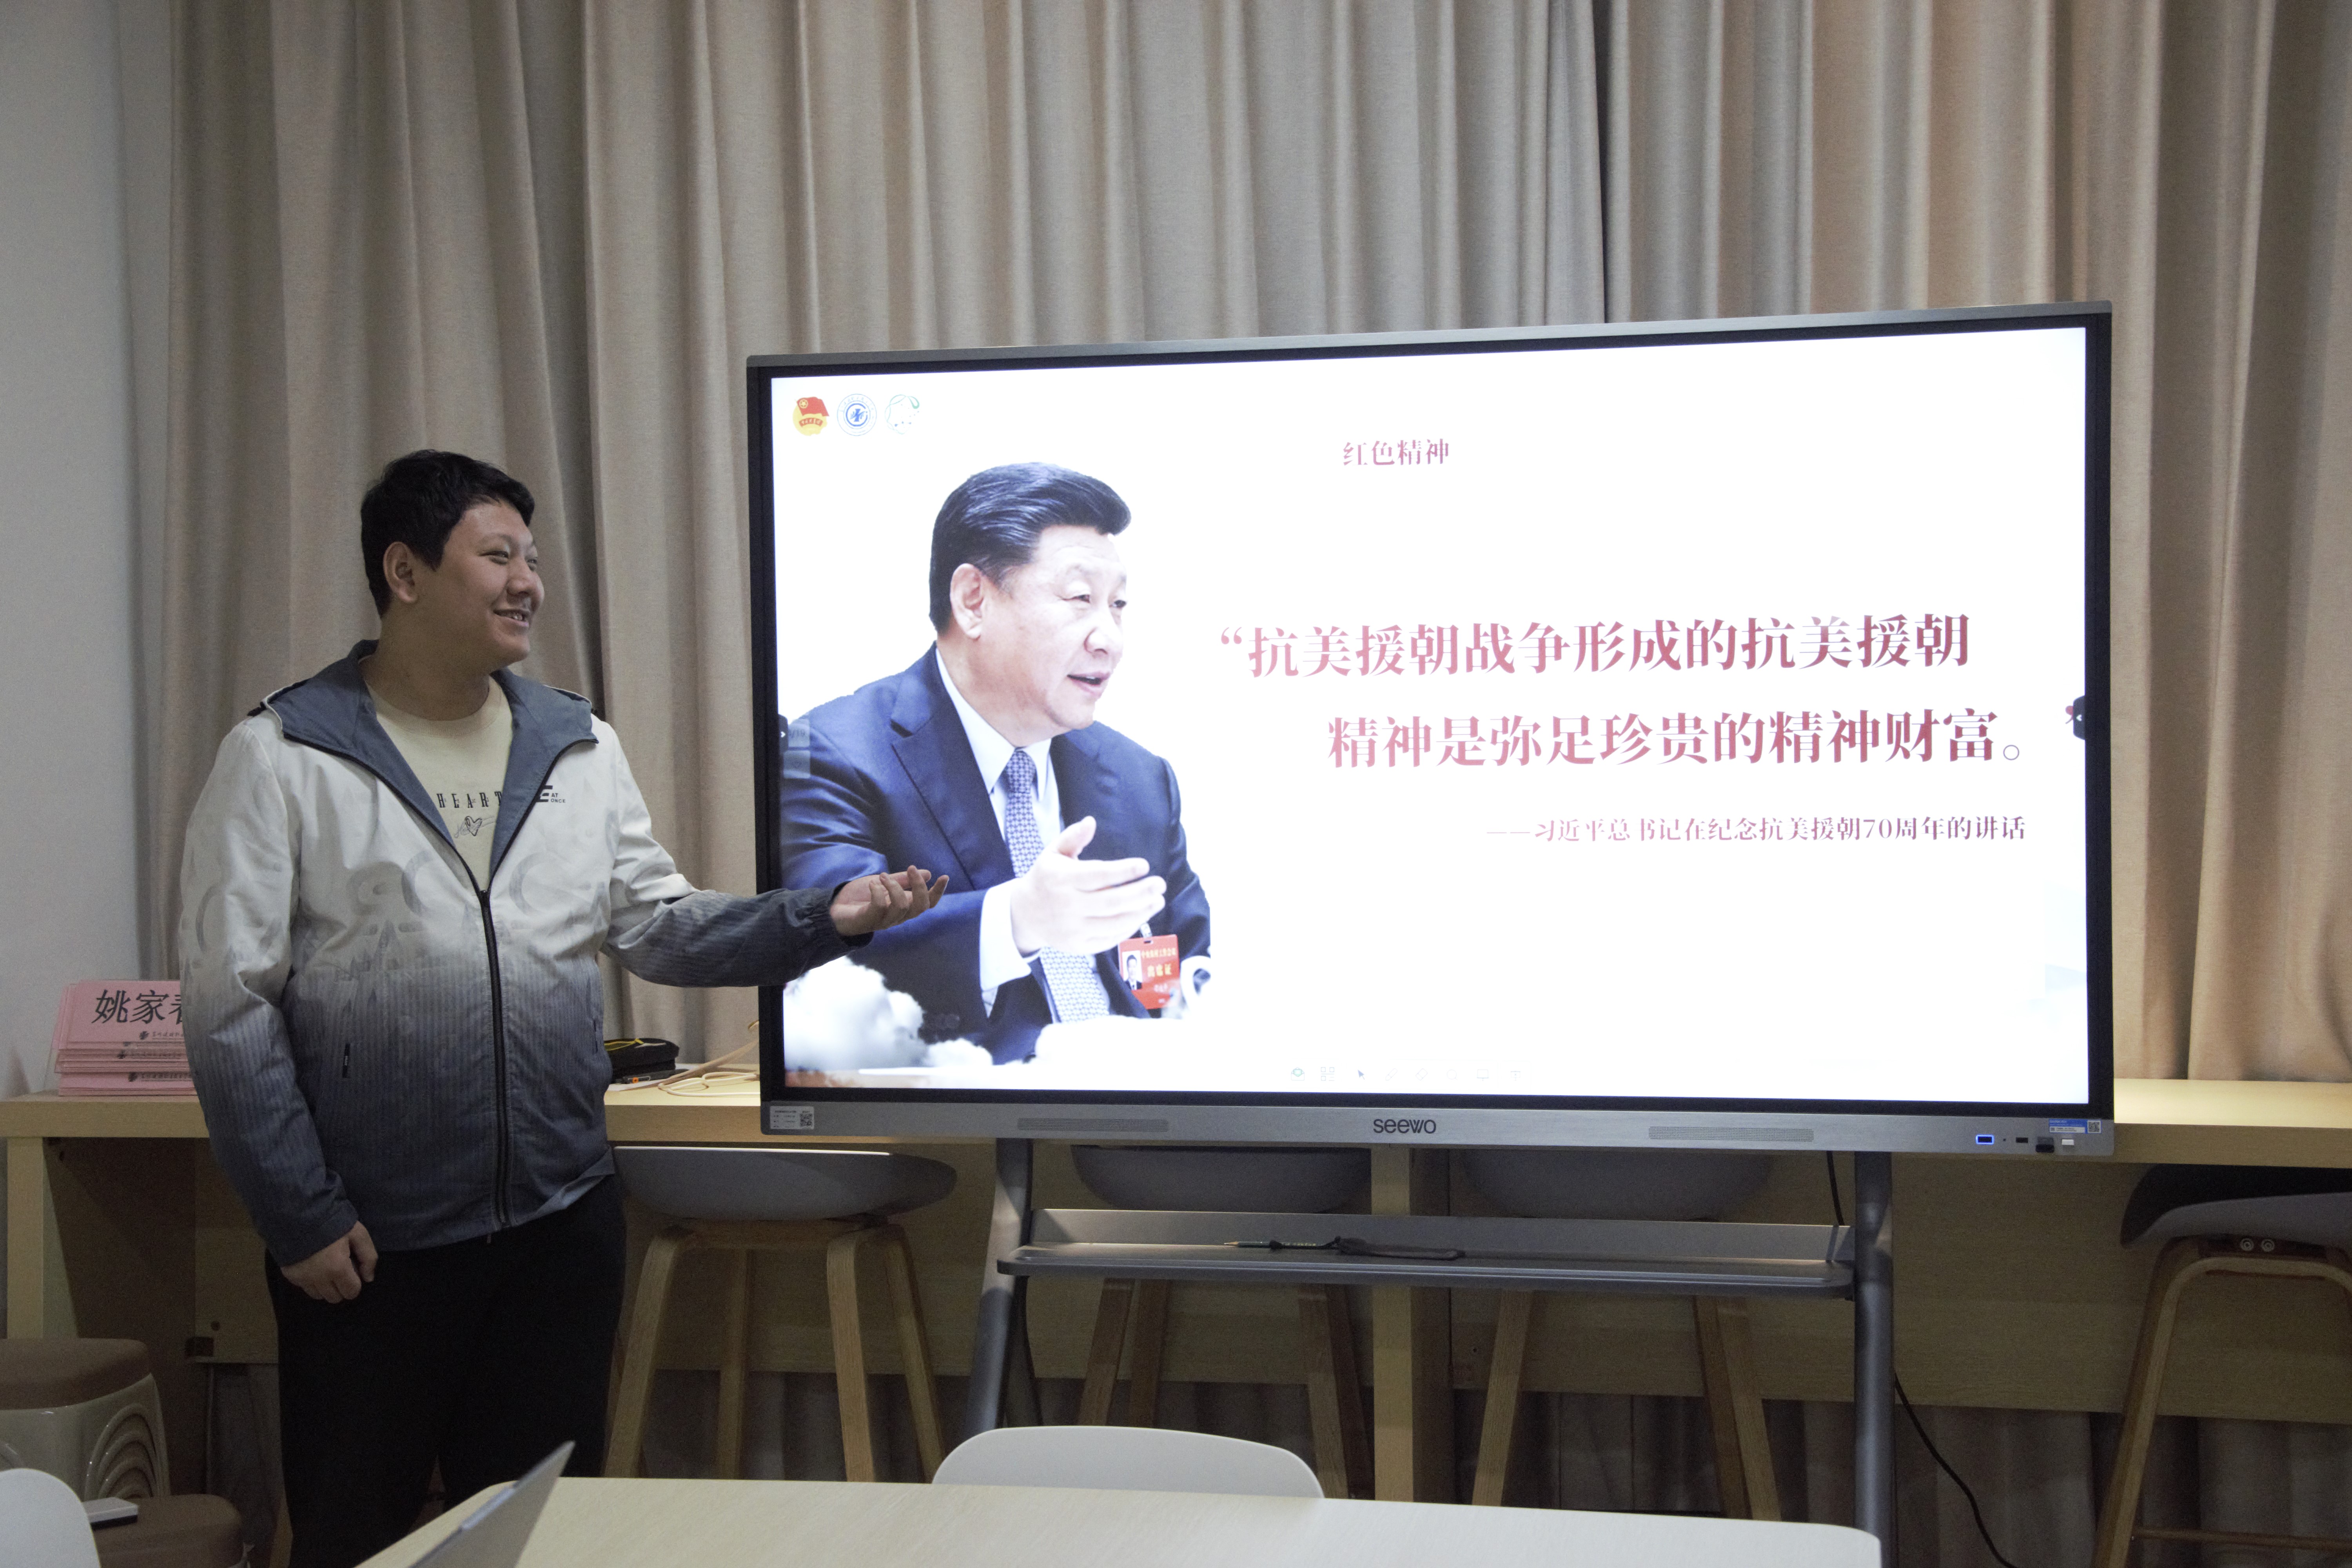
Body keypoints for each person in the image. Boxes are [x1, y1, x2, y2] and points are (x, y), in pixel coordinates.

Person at [179, 450, 942, 1568]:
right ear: (403, 572)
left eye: (532, 559)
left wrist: (826, 916)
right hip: (369, 1245)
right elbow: (227, 1006)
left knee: (542, 1538)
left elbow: (660, 926)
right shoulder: (284, 753)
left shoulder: (575, 743)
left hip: (558, 1229)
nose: (528, 582)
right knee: (357, 1537)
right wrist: (299, 1214)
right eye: (498, 556)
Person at [778, 461, 1210, 1063]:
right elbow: (829, 946)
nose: (1109, 638)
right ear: (973, 601)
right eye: (1081, 599)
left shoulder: (1140, 776)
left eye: (1118, 605)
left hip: (1139, 1103)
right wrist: (1017, 920)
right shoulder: (834, 752)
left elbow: (1186, 964)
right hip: (962, 1106)